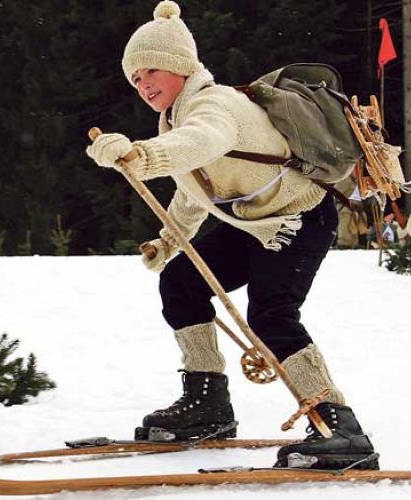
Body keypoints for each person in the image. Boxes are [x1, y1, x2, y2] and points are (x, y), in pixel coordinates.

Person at [86, 1, 377, 470]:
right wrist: (169, 240)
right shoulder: (176, 118)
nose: (143, 85)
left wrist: (141, 155)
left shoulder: (214, 103)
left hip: (298, 219)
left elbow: (204, 142)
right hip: (253, 221)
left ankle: (340, 426)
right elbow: (192, 189)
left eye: (151, 70)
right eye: (135, 78)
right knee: (181, 281)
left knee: (271, 316)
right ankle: (207, 405)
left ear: (181, 65)